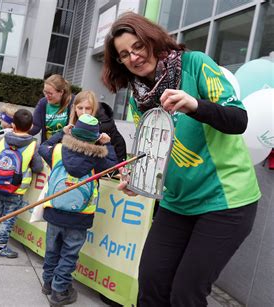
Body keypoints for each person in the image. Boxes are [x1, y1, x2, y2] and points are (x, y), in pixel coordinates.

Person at [102, 12, 261, 306]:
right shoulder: (141, 98)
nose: (134, 57)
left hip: (225, 202)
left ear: (151, 38)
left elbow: (238, 120)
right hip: (177, 202)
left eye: (138, 46)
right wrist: (137, 179)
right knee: (151, 284)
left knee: (185, 294)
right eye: (124, 54)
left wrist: (195, 105)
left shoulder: (195, 64)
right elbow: (155, 153)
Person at [38, 114, 117, 306]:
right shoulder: (98, 159)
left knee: (52, 250)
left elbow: (42, 147)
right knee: (69, 254)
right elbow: (114, 166)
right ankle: (59, 291)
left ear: (73, 132)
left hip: (54, 211)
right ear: (96, 137)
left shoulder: (57, 151)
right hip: (79, 217)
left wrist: (61, 133)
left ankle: (48, 283)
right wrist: (107, 144)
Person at [0, 109, 43, 258]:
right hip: (16, 189)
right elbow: (38, 167)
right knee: (8, 218)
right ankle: (1, 246)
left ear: (13, 124)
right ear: (31, 127)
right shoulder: (32, 145)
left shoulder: (2, 140)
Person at [66, 90, 127, 163]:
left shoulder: (101, 125)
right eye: (80, 108)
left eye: (88, 108)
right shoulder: (72, 120)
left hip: (111, 161)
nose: (83, 112)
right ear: (74, 108)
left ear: (94, 108)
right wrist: (62, 133)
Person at [29, 74, 74, 143]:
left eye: (50, 93)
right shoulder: (43, 103)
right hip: (47, 147)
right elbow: (35, 126)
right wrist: (20, 130)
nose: (46, 96)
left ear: (61, 92)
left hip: (65, 148)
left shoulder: (73, 102)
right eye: (45, 92)